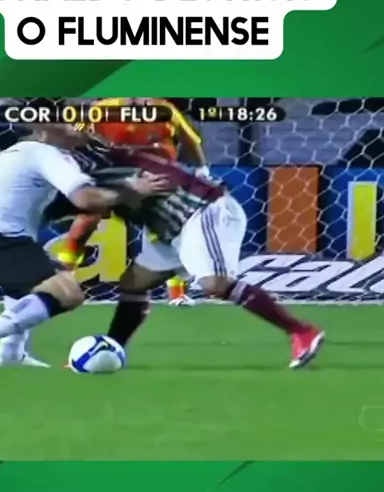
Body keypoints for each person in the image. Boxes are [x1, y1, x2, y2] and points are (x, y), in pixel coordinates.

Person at [0, 125, 169, 370]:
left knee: (30, 287)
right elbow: (85, 198)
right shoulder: (45, 152)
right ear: (43, 131)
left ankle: (11, 353)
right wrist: (132, 190)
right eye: (68, 123)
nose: (78, 129)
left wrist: (116, 193)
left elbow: (58, 207)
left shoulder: (9, 156)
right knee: (68, 294)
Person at [94, 147, 325, 369]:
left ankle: (301, 331)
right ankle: (112, 349)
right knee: (134, 283)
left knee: (215, 284)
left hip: (200, 211)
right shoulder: (97, 165)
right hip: (169, 229)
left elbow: (89, 198)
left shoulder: (107, 162)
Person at [57, 97, 209, 306]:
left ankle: (177, 294)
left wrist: (202, 172)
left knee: (167, 232)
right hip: (117, 178)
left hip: (156, 178)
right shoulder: (103, 110)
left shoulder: (165, 111)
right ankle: (62, 281)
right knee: (86, 222)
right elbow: (73, 134)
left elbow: (190, 141)